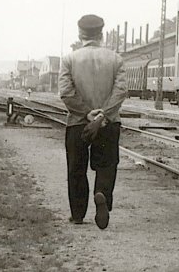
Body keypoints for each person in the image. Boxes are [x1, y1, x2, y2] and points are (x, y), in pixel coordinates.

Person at [59, 14, 127, 229]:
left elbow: (66, 93)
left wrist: (87, 113)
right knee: (107, 164)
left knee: (76, 168)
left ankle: (78, 214)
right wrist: (102, 115)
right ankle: (102, 193)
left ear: (80, 35)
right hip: (108, 123)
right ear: (101, 34)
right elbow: (121, 91)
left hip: (78, 122)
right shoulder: (116, 59)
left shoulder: (69, 59)